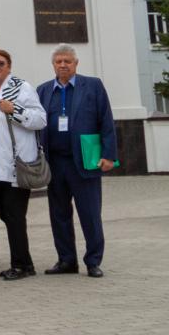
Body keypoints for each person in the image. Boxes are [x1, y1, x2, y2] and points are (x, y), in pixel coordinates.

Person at [38, 44, 118, 278]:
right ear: (53, 64)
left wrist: (109, 155)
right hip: (55, 163)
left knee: (90, 214)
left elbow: (106, 121)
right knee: (59, 214)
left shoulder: (92, 86)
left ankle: (93, 261)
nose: (63, 65)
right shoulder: (43, 90)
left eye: (67, 61)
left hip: (85, 161)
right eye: (58, 61)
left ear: (76, 63)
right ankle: (66, 260)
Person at [0, 49, 46, 280]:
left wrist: (15, 110)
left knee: (16, 216)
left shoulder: (21, 87)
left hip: (15, 167)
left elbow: (40, 119)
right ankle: (21, 262)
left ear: (9, 66)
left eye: (0, 63)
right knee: (7, 216)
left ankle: (23, 265)